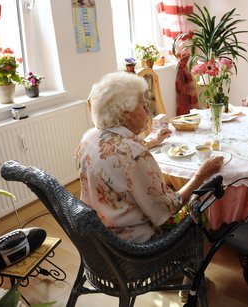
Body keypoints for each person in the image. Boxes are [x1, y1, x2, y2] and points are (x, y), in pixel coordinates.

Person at [75, 72, 223, 243]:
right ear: (126, 113)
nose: (148, 111)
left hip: (99, 237)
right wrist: (201, 175)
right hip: (137, 246)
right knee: (201, 213)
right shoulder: (136, 156)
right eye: (143, 105)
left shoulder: (89, 138)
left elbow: (118, 158)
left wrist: (152, 141)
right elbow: (170, 207)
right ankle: (192, 260)